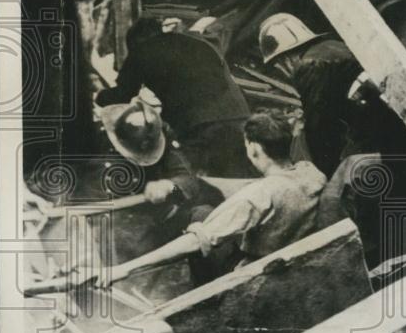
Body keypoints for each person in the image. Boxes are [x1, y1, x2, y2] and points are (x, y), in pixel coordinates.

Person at [258, 13, 406, 265]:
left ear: (286, 58)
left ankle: (390, 273)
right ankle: (401, 264)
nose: (283, 71)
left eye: (278, 65)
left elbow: (321, 129)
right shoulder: (335, 48)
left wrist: (323, 175)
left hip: (386, 149)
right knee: (396, 219)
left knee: (372, 227)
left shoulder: (310, 67)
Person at [97, 112, 327, 287]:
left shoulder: (256, 197)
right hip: (293, 249)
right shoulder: (311, 172)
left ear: (254, 148)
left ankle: (207, 294)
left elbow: (197, 241)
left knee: (200, 218)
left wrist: (125, 269)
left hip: (259, 273)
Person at [96, 17, 257, 179]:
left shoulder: (141, 50)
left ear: (136, 41)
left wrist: (98, 96)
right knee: (238, 178)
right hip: (240, 116)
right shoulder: (197, 42)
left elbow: (122, 95)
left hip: (200, 125)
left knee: (194, 181)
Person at [97, 99, 220, 255]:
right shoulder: (99, 145)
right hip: (117, 218)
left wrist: (168, 185)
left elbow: (187, 179)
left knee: (204, 214)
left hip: (157, 216)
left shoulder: (163, 139)